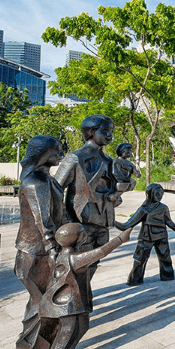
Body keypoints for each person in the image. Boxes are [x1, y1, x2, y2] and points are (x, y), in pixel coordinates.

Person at [26, 223, 132, 349]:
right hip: (70, 307)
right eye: (83, 234)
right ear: (78, 239)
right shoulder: (75, 259)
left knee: (47, 332)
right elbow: (101, 252)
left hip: (51, 302)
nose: (85, 235)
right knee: (77, 328)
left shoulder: (57, 254)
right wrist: (120, 239)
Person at [14, 135, 64, 349]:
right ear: (44, 155)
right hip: (36, 253)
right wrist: (53, 250)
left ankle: (28, 341)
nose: (60, 155)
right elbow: (43, 220)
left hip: (38, 251)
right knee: (43, 301)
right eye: (56, 152)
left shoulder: (47, 179)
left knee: (38, 300)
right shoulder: (36, 182)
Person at [54, 115, 116, 279]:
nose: (109, 135)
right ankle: (77, 298)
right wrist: (65, 220)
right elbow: (55, 190)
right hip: (80, 222)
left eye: (111, 131)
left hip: (102, 220)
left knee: (94, 261)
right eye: (104, 131)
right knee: (77, 265)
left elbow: (109, 189)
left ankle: (83, 294)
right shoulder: (75, 158)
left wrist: (115, 196)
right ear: (90, 132)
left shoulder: (109, 161)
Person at [116, 183, 175, 286]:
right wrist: (112, 221)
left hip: (162, 236)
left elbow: (168, 221)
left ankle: (167, 275)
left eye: (161, 193)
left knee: (166, 258)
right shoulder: (143, 209)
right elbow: (127, 225)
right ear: (149, 194)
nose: (160, 196)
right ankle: (135, 279)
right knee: (140, 260)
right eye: (157, 193)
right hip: (146, 237)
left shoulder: (164, 208)